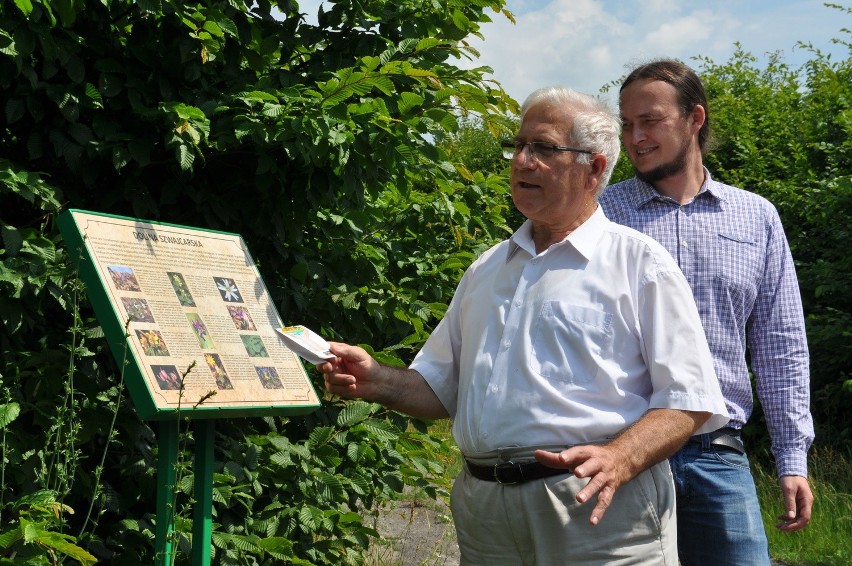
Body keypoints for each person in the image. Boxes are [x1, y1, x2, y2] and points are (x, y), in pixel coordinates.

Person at [320, 86, 729, 565]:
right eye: (518, 146)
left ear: (594, 168)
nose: (521, 161)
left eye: (544, 148)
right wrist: (377, 379)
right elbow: (439, 389)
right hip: (487, 515)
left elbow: (688, 400)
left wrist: (620, 458)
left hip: (595, 509)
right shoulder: (487, 269)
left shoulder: (639, 263)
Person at [599, 59, 815, 566]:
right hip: (620, 456)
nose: (634, 137)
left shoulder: (756, 216)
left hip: (717, 454)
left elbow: (780, 344)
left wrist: (792, 458)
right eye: (626, 124)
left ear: (695, 119)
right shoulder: (600, 215)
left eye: (649, 120)